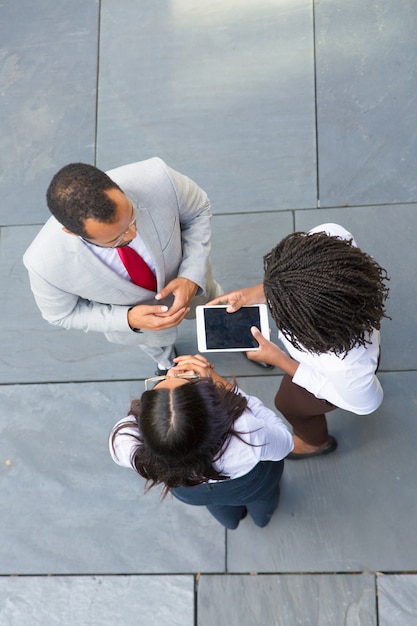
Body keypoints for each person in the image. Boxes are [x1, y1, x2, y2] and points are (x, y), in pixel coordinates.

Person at [23, 157, 222, 373]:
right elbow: (61, 314)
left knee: (217, 308)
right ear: (71, 232)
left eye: (132, 217)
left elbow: (199, 211)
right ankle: (165, 362)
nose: (133, 233)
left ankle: (232, 334)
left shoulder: (159, 178)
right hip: (140, 328)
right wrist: (127, 319)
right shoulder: (44, 264)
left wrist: (191, 275)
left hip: (197, 289)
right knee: (155, 346)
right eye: (115, 239)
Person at [209, 223, 390, 459]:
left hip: (326, 376)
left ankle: (315, 442)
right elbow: (308, 271)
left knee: (288, 404)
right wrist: (265, 289)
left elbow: (367, 403)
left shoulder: (348, 369)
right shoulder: (333, 236)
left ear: (314, 327)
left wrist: (282, 360)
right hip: (352, 348)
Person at [109, 354, 293, 529]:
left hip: (189, 490)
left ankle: (231, 522)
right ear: (213, 410)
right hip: (249, 484)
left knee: (218, 506)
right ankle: (263, 520)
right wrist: (220, 383)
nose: (172, 372)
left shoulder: (124, 438)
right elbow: (285, 442)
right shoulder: (245, 430)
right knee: (263, 501)